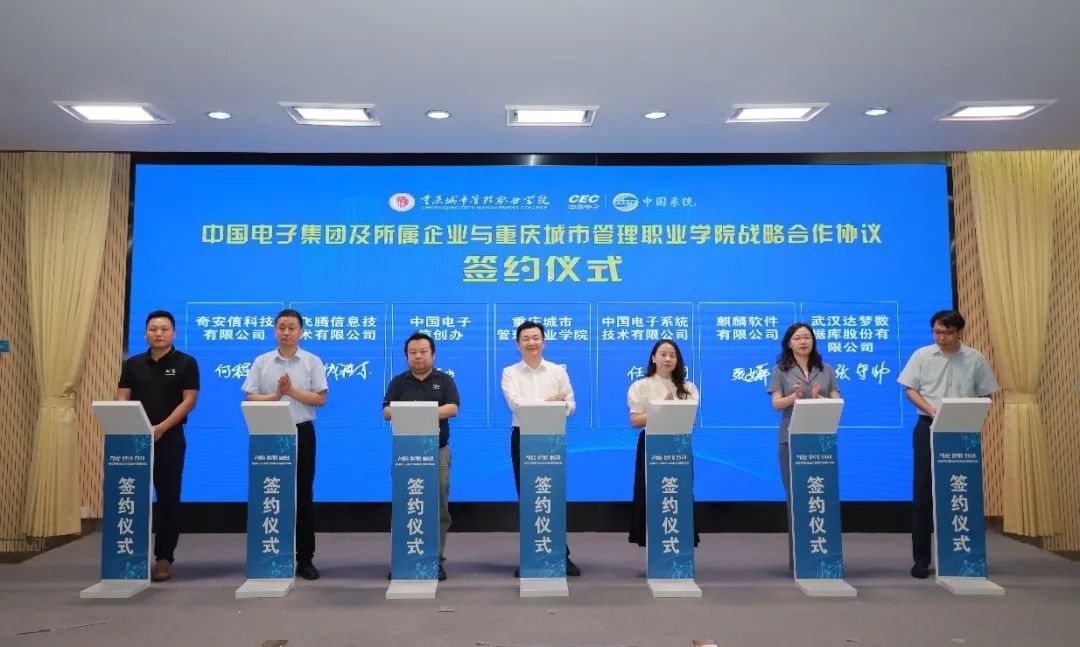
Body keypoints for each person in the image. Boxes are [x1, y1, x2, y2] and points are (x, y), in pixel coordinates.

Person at [898, 309, 998, 579]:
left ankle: (964, 556)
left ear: (959, 332)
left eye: (947, 332)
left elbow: (987, 393)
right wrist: (930, 410)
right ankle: (921, 560)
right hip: (928, 425)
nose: (941, 337)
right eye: (937, 332)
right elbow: (910, 389)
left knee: (962, 489)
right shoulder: (922, 355)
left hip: (962, 429)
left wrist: (972, 412)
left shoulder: (975, 358)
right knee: (923, 493)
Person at [241, 309, 328, 581]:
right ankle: (271, 554)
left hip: (302, 432)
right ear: (274, 330)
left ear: (301, 331)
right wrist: (277, 395)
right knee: (270, 493)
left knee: (302, 495)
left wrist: (291, 392)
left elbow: (320, 399)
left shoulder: (312, 361)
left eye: (291, 327)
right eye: (281, 327)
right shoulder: (262, 361)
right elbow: (250, 397)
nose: (286, 332)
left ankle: (305, 558)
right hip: (269, 433)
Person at [116, 310, 200, 583]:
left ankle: (164, 558)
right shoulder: (133, 364)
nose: (158, 333)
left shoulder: (186, 363)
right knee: (132, 496)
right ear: (145, 333)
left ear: (174, 333)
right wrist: (135, 425)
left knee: (168, 500)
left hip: (170, 439)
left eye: (164, 329)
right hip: (135, 440)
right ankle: (130, 555)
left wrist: (162, 428)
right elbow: (122, 397)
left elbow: (189, 401)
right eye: (153, 329)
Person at [500, 320, 580, 577]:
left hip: (552, 437)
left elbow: (571, 404)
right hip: (523, 436)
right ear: (518, 344)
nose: (531, 343)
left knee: (552, 495)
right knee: (528, 496)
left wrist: (561, 404)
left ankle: (560, 554)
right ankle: (532, 555)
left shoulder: (557, 371)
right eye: (526, 339)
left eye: (536, 338)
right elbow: (516, 405)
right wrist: (551, 403)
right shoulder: (510, 373)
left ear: (543, 342)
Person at [383, 332, 460, 581]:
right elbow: (386, 411)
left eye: (423, 351)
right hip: (407, 453)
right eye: (413, 352)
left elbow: (453, 408)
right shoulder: (399, 382)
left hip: (437, 451)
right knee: (406, 504)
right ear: (406, 356)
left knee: (439, 506)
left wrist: (421, 412)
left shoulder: (444, 380)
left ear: (433, 354)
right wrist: (410, 412)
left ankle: (434, 559)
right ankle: (404, 558)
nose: (418, 356)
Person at [767, 322, 840, 571]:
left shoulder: (826, 369)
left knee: (821, 495)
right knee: (797, 497)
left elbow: (837, 401)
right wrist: (794, 397)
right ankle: (800, 559)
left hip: (821, 438)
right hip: (791, 438)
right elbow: (776, 404)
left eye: (807, 337)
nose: (803, 341)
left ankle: (823, 554)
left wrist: (820, 398)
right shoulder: (780, 370)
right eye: (797, 338)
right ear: (789, 343)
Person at [627, 339, 700, 548]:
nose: (668, 359)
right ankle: (653, 541)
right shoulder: (641, 386)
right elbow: (635, 421)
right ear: (653, 358)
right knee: (651, 493)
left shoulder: (688, 388)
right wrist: (660, 409)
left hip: (678, 444)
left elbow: (692, 420)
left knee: (679, 491)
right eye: (663, 354)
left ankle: (679, 540)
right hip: (651, 443)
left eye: (672, 355)